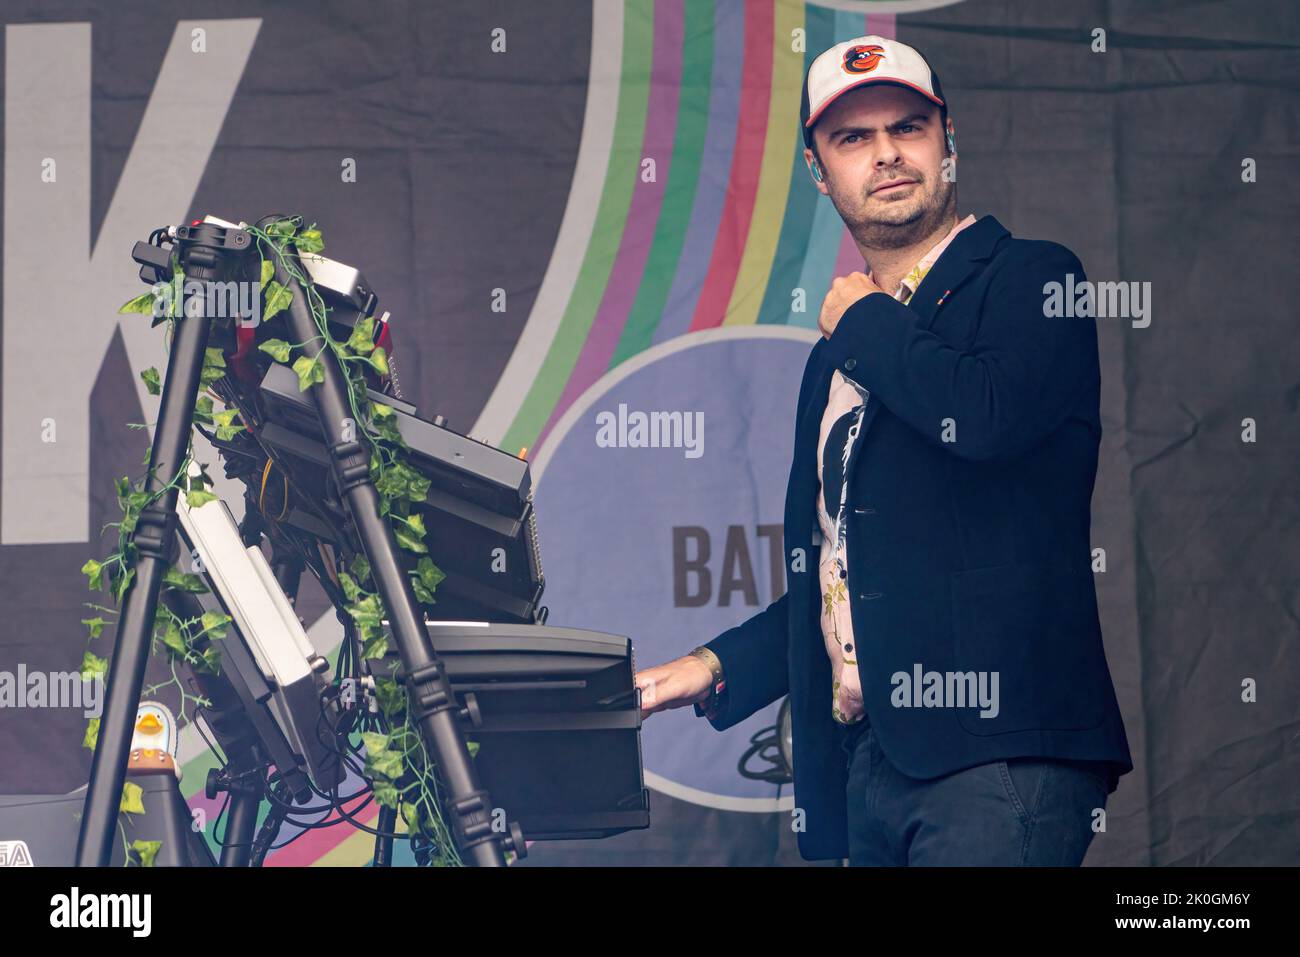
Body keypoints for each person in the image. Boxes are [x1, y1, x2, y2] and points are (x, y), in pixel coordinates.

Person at [633, 35, 1133, 866]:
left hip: (997, 753)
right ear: (818, 172)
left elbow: (983, 418)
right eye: (852, 139)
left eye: (909, 127)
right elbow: (847, 574)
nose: (888, 153)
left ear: (948, 144)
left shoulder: (1032, 277)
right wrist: (705, 668)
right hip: (867, 767)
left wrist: (863, 318)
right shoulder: (836, 360)